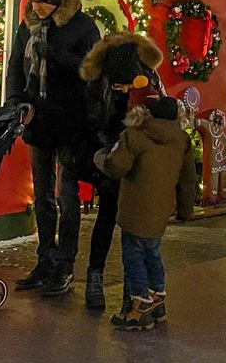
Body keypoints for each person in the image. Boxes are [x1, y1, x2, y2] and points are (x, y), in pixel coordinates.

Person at [6, 0, 101, 297]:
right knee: (41, 195)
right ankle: (44, 258)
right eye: (33, 2)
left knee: (66, 196)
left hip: (70, 124)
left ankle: (65, 264)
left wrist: (57, 56)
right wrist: (15, 103)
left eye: (44, 3)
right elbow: (16, 65)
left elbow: (93, 70)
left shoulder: (81, 26)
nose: (38, 8)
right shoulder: (28, 25)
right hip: (38, 122)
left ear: (58, 1)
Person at [78, 31, 165, 312]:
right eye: (118, 88)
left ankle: (134, 287)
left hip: (137, 160)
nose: (125, 91)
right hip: (110, 156)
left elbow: (159, 121)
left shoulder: (147, 80)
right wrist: (110, 154)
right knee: (106, 217)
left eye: (129, 87)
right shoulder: (96, 84)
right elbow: (92, 123)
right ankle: (95, 277)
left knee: (135, 229)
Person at [94, 95, 196, 331]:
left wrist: (99, 157)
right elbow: (188, 180)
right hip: (160, 212)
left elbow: (115, 166)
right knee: (153, 254)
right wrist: (185, 210)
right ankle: (158, 302)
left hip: (135, 210)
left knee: (134, 258)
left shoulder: (135, 135)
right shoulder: (181, 140)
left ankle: (139, 307)